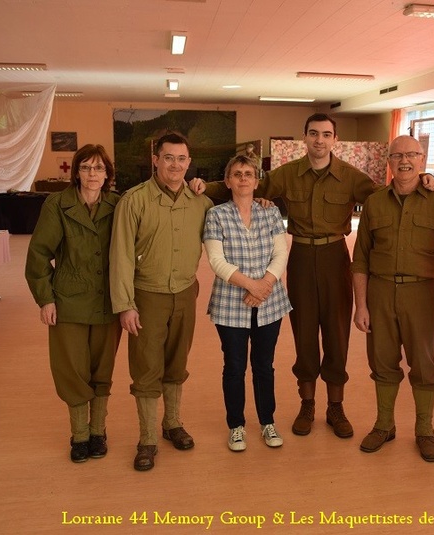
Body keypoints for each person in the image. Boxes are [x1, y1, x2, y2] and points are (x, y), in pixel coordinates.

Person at [191, 113, 434, 439]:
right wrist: (201, 186)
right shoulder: (289, 174)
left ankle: (336, 407)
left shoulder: (351, 176)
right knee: (304, 332)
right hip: (302, 258)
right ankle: (307, 404)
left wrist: (424, 177)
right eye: (313, 134)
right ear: (304, 138)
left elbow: (386, 194)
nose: (319, 140)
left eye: (326, 134)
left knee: (337, 334)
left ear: (335, 139)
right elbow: (248, 182)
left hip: (337, 259)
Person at [109, 132, 213, 471]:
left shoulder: (201, 202)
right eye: (169, 158)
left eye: (182, 159)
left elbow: (236, 210)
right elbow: (121, 256)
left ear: (189, 162)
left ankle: (172, 423)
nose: (176, 165)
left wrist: (265, 203)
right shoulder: (134, 200)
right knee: (146, 367)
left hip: (185, 293)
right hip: (147, 295)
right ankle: (148, 438)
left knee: (176, 362)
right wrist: (125, 304)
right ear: (155, 159)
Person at [351, 135, 434, 462]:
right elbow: (361, 258)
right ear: (390, 162)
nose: (405, 161)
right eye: (398, 156)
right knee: (381, 361)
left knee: (424, 363)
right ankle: (384, 424)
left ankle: (425, 429)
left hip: (422, 295)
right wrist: (361, 304)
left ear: (423, 159)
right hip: (380, 292)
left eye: (412, 155)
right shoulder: (375, 202)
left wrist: (431, 281)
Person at [25, 144, 122, 463]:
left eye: (98, 168)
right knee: (72, 369)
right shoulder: (58, 204)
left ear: (107, 173)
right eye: (86, 167)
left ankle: (98, 432)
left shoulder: (118, 205)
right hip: (69, 300)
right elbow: (39, 254)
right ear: (76, 171)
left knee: (102, 369)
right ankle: (80, 435)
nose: (92, 174)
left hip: (108, 301)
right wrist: (45, 299)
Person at [203, 155, 292, 452]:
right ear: (227, 181)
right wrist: (250, 285)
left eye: (249, 174)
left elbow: (280, 253)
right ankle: (236, 426)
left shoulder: (270, 212)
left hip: (270, 303)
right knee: (235, 366)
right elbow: (216, 260)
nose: (243, 179)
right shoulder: (216, 215)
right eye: (237, 174)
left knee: (264, 366)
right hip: (230, 304)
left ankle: (267, 421)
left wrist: (264, 284)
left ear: (256, 181)